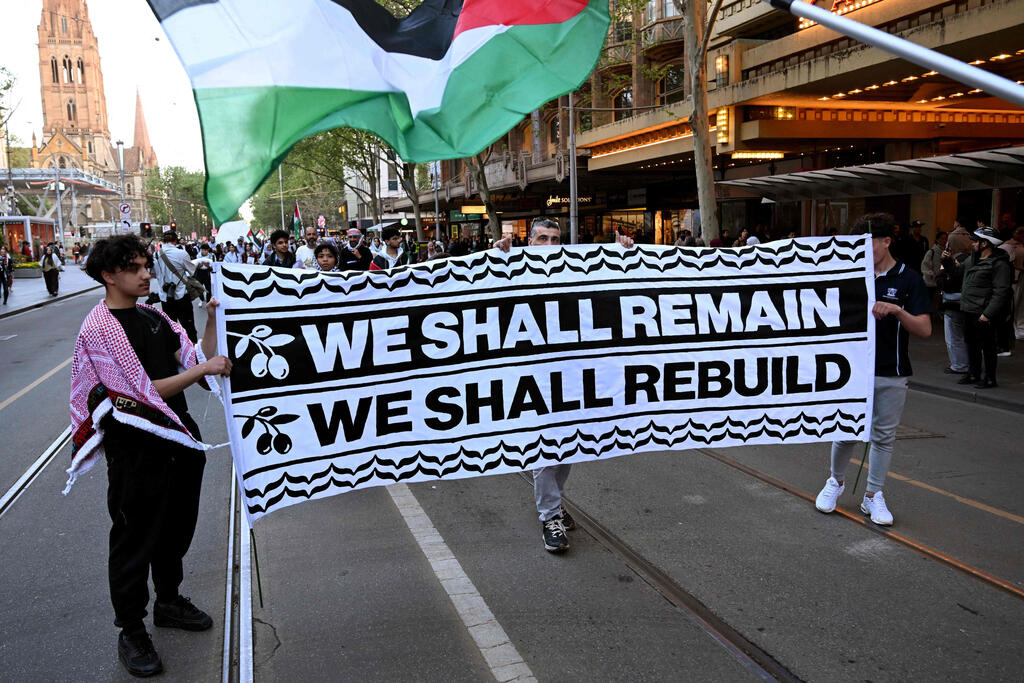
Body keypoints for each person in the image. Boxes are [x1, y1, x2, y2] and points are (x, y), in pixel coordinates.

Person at [73, 234, 232, 677]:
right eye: (135, 268)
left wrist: (214, 318)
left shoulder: (155, 317)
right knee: (133, 538)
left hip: (179, 441)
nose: (146, 274)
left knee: (176, 527)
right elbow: (137, 394)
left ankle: (168, 600)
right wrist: (203, 368)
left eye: (146, 265)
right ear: (109, 275)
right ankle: (131, 629)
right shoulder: (100, 329)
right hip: (135, 450)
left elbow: (194, 357)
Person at [495, 217, 634, 553]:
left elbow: (609, 289)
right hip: (533, 377)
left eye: (555, 239)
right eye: (542, 238)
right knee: (544, 447)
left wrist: (622, 254)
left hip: (571, 377)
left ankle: (554, 503)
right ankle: (550, 516)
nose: (550, 246)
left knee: (567, 447)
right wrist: (498, 257)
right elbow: (489, 291)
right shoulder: (515, 269)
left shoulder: (575, 271)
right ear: (530, 243)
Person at [815, 213, 931, 527]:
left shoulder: (909, 279)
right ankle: (835, 482)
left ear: (886, 242)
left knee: (883, 436)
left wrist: (896, 310)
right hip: (851, 373)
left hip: (891, 371)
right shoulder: (851, 274)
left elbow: (924, 328)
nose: (863, 251)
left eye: (868, 244)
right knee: (845, 430)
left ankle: (873, 495)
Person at [942, 226, 1013, 388]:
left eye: (975, 240)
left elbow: (1001, 292)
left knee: (988, 347)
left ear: (985, 244)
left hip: (983, 312)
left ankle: (989, 378)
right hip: (968, 309)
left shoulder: (998, 264)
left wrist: (988, 314)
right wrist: (946, 261)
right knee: (971, 344)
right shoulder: (972, 259)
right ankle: (973, 374)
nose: (972, 243)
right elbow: (956, 273)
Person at [153, 231, 199, 343]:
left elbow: (153, 274)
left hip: (165, 298)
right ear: (175, 241)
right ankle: (194, 355)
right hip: (182, 296)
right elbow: (192, 271)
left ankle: (175, 357)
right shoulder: (181, 253)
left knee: (170, 330)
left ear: (163, 241)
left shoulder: (155, 255)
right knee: (189, 329)